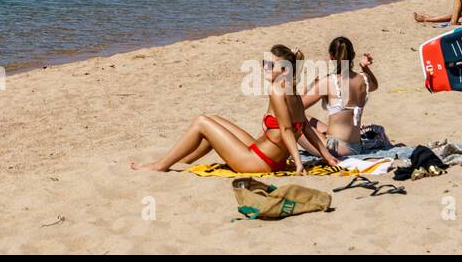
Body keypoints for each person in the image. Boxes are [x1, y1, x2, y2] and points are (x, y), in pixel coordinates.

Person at [131, 45, 339, 173]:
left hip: (259, 162)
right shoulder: (293, 92)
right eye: (264, 63)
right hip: (267, 156)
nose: (265, 67)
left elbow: (286, 130)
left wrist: (299, 163)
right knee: (214, 120)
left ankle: (160, 166)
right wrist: (326, 156)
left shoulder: (277, 90)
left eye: (271, 65)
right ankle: (184, 161)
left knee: (201, 122)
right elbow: (305, 128)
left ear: (284, 69)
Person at [299, 38, 378, 159]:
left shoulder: (328, 82)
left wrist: (309, 85)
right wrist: (365, 68)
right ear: (353, 56)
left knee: (290, 119)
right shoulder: (364, 78)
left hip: (336, 149)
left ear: (331, 57)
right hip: (356, 146)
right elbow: (375, 86)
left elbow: (296, 107)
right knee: (307, 118)